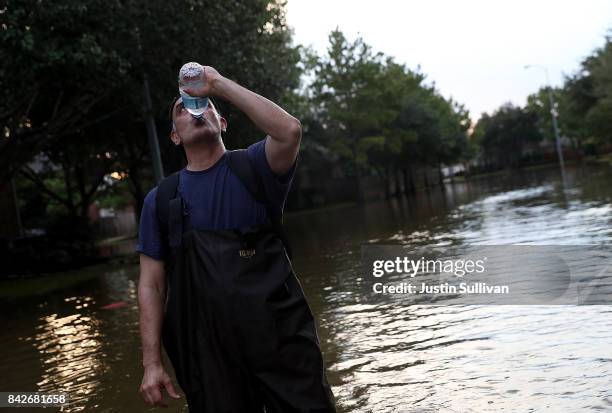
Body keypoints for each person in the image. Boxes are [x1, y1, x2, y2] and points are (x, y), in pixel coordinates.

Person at [136, 65, 336, 412]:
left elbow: (289, 130)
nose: (195, 109)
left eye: (206, 104)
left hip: (281, 341)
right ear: (175, 137)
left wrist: (216, 84)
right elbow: (151, 286)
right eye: (182, 109)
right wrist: (151, 364)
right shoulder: (161, 200)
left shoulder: (255, 168)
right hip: (209, 357)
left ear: (222, 123)